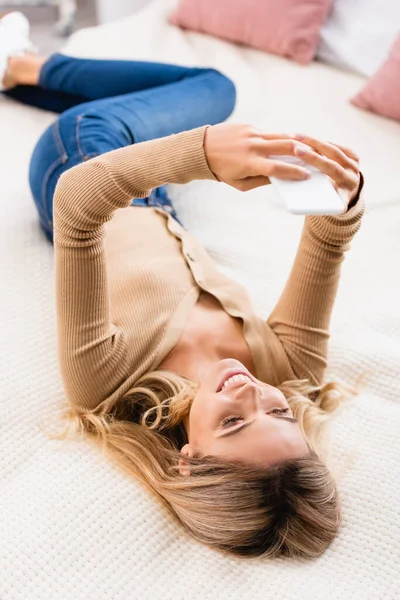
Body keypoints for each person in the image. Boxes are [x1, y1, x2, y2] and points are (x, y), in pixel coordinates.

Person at [1, 12, 364, 559]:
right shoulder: (290, 374)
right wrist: (343, 195)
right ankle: (26, 79)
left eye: (235, 422)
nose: (252, 392)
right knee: (216, 91)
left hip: (79, 164)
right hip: (157, 197)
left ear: (188, 458)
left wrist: (203, 156)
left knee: (207, 91)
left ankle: (22, 64)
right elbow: (329, 240)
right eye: (279, 414)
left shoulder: (108, 384)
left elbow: (76, 203)